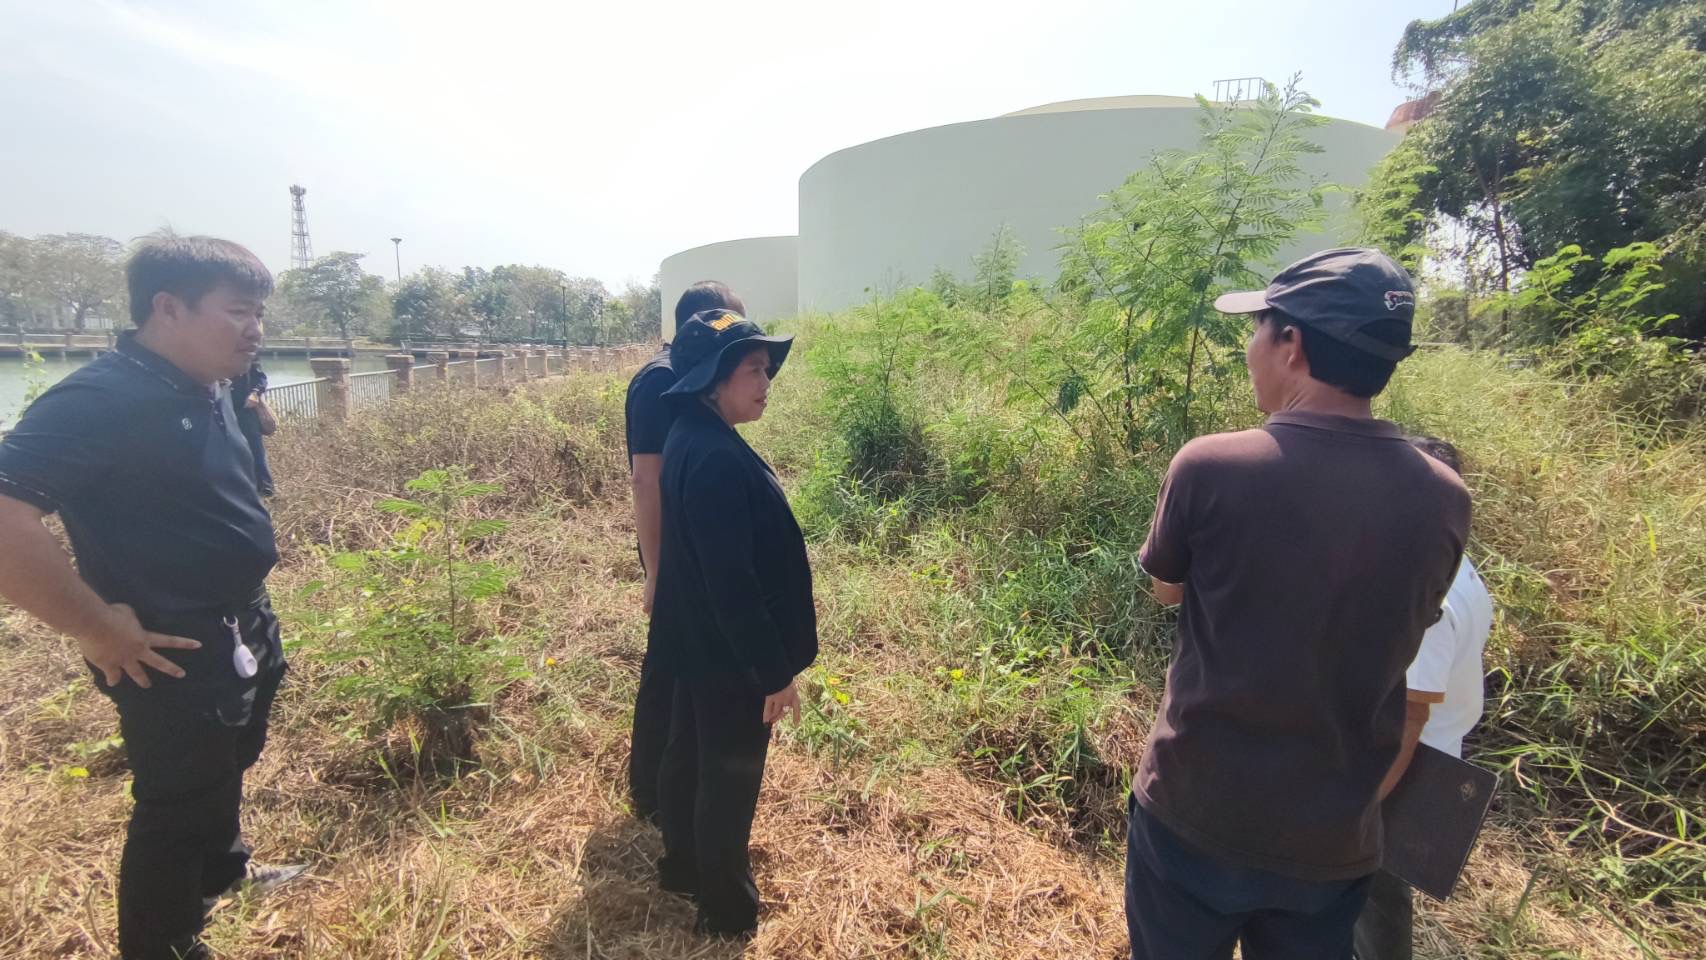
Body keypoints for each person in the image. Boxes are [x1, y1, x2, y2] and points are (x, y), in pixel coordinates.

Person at [1127, 248, 1472, 960]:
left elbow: (1167, 590)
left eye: (1258, 328)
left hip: (1197, 809)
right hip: (1334, 837)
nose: (1249, 347)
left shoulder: (1211, 464)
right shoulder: (1444, 498)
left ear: (1292, 344)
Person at [0, 232, 303, 960]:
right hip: (168, 642)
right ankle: (163, 943)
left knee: (231, 755)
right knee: (177, 801)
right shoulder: (102, 398)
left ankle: (222, 874)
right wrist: (97, 626)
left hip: (240, 618)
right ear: (168, 308)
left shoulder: (206, 381)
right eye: (238, 311)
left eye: (259, 312)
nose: (255, 329)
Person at [648, 308, 817, 939]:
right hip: (729, 655)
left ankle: (683, 866)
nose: (766, 381)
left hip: (698, 641)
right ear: (712, 380)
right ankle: (726, 912)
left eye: (767, 369)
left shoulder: (692, 434)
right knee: (729, 777)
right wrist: (772, 673)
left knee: (690, 755)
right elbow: (733, 584)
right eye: (752, 369)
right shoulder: (715, 456)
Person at [1353, 436, 1495, 960]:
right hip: (1431, 754)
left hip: (1401, 768)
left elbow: (1409, 717)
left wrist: (1362, 808)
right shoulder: (1461, 566)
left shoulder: (1427, 596)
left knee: (1375, 893)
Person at [624, 280, 747, 823]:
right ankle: (651, 790)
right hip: (673, 551)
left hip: (690, 547)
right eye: (734, 324)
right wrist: (655, 571)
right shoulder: (662, 380)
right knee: (666, 667)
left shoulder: (685, 373)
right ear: (708, 322)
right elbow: (645, 479)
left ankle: (667, 781)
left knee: (681, 664)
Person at [230, 359, 278, 496]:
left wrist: (255, 393)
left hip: (246, 412)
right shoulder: (212, 361)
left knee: (256, 450)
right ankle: (242, 488)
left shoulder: (246, 358)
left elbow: (261, 379)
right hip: (225, 411)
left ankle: (266, 487)